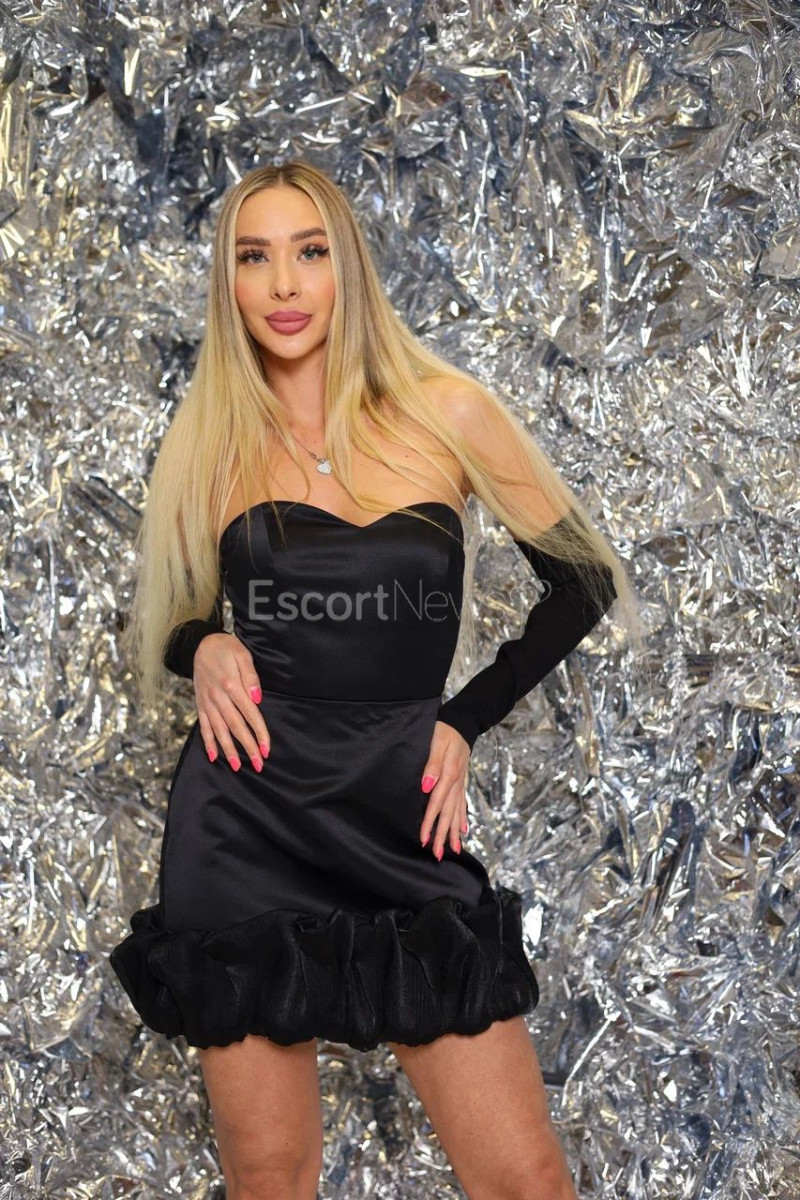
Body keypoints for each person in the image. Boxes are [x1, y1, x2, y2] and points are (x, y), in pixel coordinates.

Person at [109, 159, 641, 1200]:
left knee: (525, 1179)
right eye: (253, 258)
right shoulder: (216, 436)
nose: (283, 285)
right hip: (245, 819)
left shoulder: (448, 413)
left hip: (401, 809)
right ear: (229, 283)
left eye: (308, 252)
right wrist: (201, 646)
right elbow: (173, 615)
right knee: (271, 1177)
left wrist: (463, 721)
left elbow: (582, 581)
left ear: (346, 266)